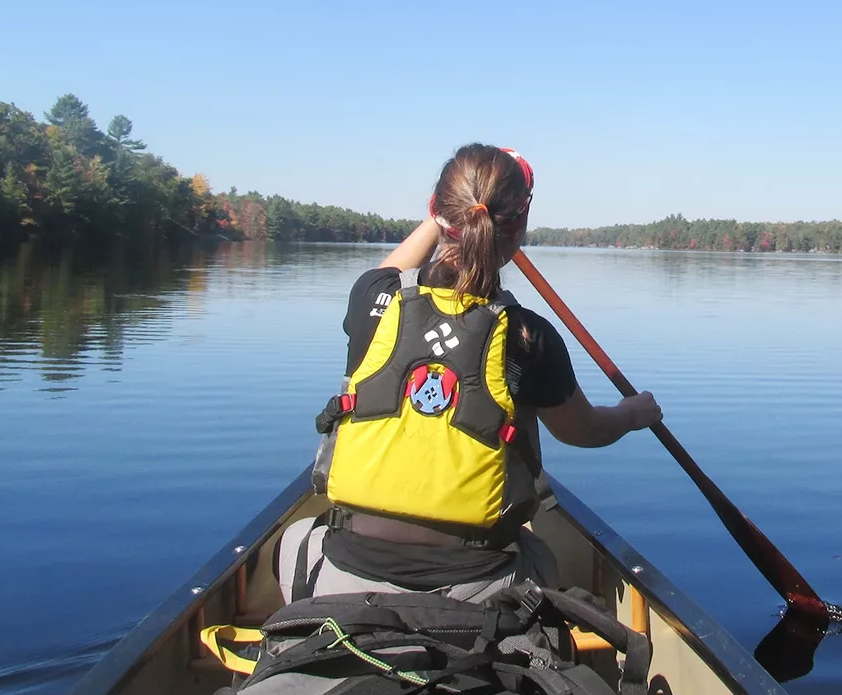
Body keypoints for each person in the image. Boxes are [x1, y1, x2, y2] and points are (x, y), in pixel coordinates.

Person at [277, 144, 661, 604]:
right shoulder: (529, 335)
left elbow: (391, 272)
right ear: (518, 226)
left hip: (348, 571)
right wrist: (632, 413)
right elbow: (584, 431)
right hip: (481, 587)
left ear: (438, 213)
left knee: (296, 536)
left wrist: (443, 214)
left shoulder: (372, 302)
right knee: (542, 553)